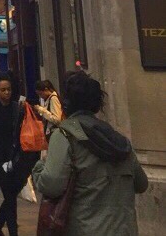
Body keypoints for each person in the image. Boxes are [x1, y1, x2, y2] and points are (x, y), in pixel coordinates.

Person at [32, 71, 148, 236]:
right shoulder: (118, 139)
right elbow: (141, 184)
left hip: (84, 228)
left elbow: (51, 184)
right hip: (123, 229)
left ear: (66, 103)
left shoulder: (65, 135)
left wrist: (38, 168)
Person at [0, 71, 37, 236]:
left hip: (14, 156)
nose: (6, 93)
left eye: (8, 89)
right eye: (2, 90)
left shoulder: (16, 108)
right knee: (9, 196)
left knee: (11, 194)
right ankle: (12, 231)